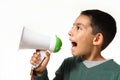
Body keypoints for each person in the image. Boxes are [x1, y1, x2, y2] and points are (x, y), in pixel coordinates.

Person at [30, 9, 120, 80]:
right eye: (72, 27)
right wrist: (40, 72)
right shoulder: (68, 64)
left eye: (78, 28)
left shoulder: (116, 73)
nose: (70, 32)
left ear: (97, 39)